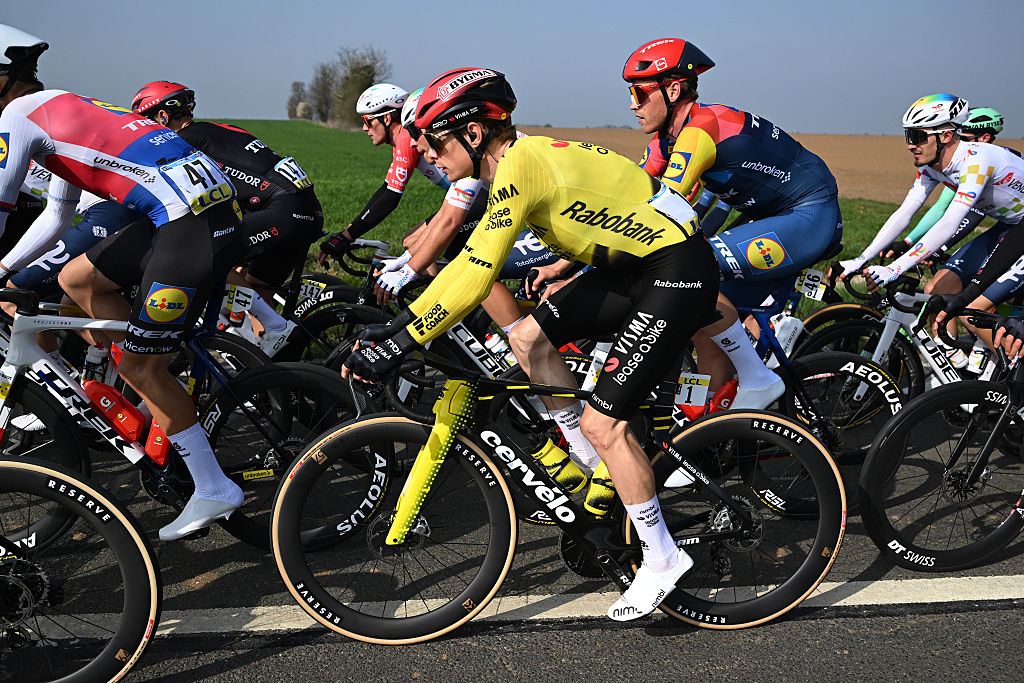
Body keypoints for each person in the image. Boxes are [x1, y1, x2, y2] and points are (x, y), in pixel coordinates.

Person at [343, 67, 721, 621]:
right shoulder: (507, 162)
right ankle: (595, 468)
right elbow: (466, 264)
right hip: (631, 267)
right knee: (526, 336)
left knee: (603, 420)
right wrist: (399, 331)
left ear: (474, 134)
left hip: (672, 272)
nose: (429, 155)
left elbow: (476, 272)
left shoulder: (519, 168)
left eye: (437, 142)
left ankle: (662, 557)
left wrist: (400, 341)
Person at [0, 24, 248, 541]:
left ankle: (211, 485)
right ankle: (143, 396)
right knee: (77, 279)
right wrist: (4, 272)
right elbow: (56, 216)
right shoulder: (57, 107)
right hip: (189, 212)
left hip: (191, 222)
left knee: (141, 363)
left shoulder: (15, 118)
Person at [616, 38, 843, 409]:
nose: (631, 105)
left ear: (672, 89)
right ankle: (704, 418)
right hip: (770, 215)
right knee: (703, 322)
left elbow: (662, 210)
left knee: (692, 272)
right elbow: (630, 196)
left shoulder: (700, 130)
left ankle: (758, 378)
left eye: (639, 94)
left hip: (808, 213)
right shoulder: (667, 139)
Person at [130, 81, 325, 356]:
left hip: (282, 210)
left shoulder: (181, 141)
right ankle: (264, 362)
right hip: (305, 210)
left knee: (209, 255)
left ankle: (273, 328)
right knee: (256, 284)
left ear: (162, 116)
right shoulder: (214, 130)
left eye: (146, 122)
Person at [840, 95, 1024, 353]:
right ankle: (958, 373)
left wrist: (895, 268)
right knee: (940, 288)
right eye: (908, 136)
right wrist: (861, 259)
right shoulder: (931, 166)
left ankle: (1009, 384)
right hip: (1010, 225)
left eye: (917, 137)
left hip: (1018, 228)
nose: (909, 145)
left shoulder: (976, 160)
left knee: (973, 309)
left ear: (946, 136)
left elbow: (950, 221)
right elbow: (904, 213)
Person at [317, 83, 448, 264]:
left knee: (413, 243)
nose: (365, 129)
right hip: (469, 197)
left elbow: (390, 198)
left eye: (367, 121)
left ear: (386, 119)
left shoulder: (405, 137)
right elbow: (385, 190)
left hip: (475, 197)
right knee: (419, 248)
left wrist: (347, 236)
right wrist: (348, 232)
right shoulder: (402, 140)